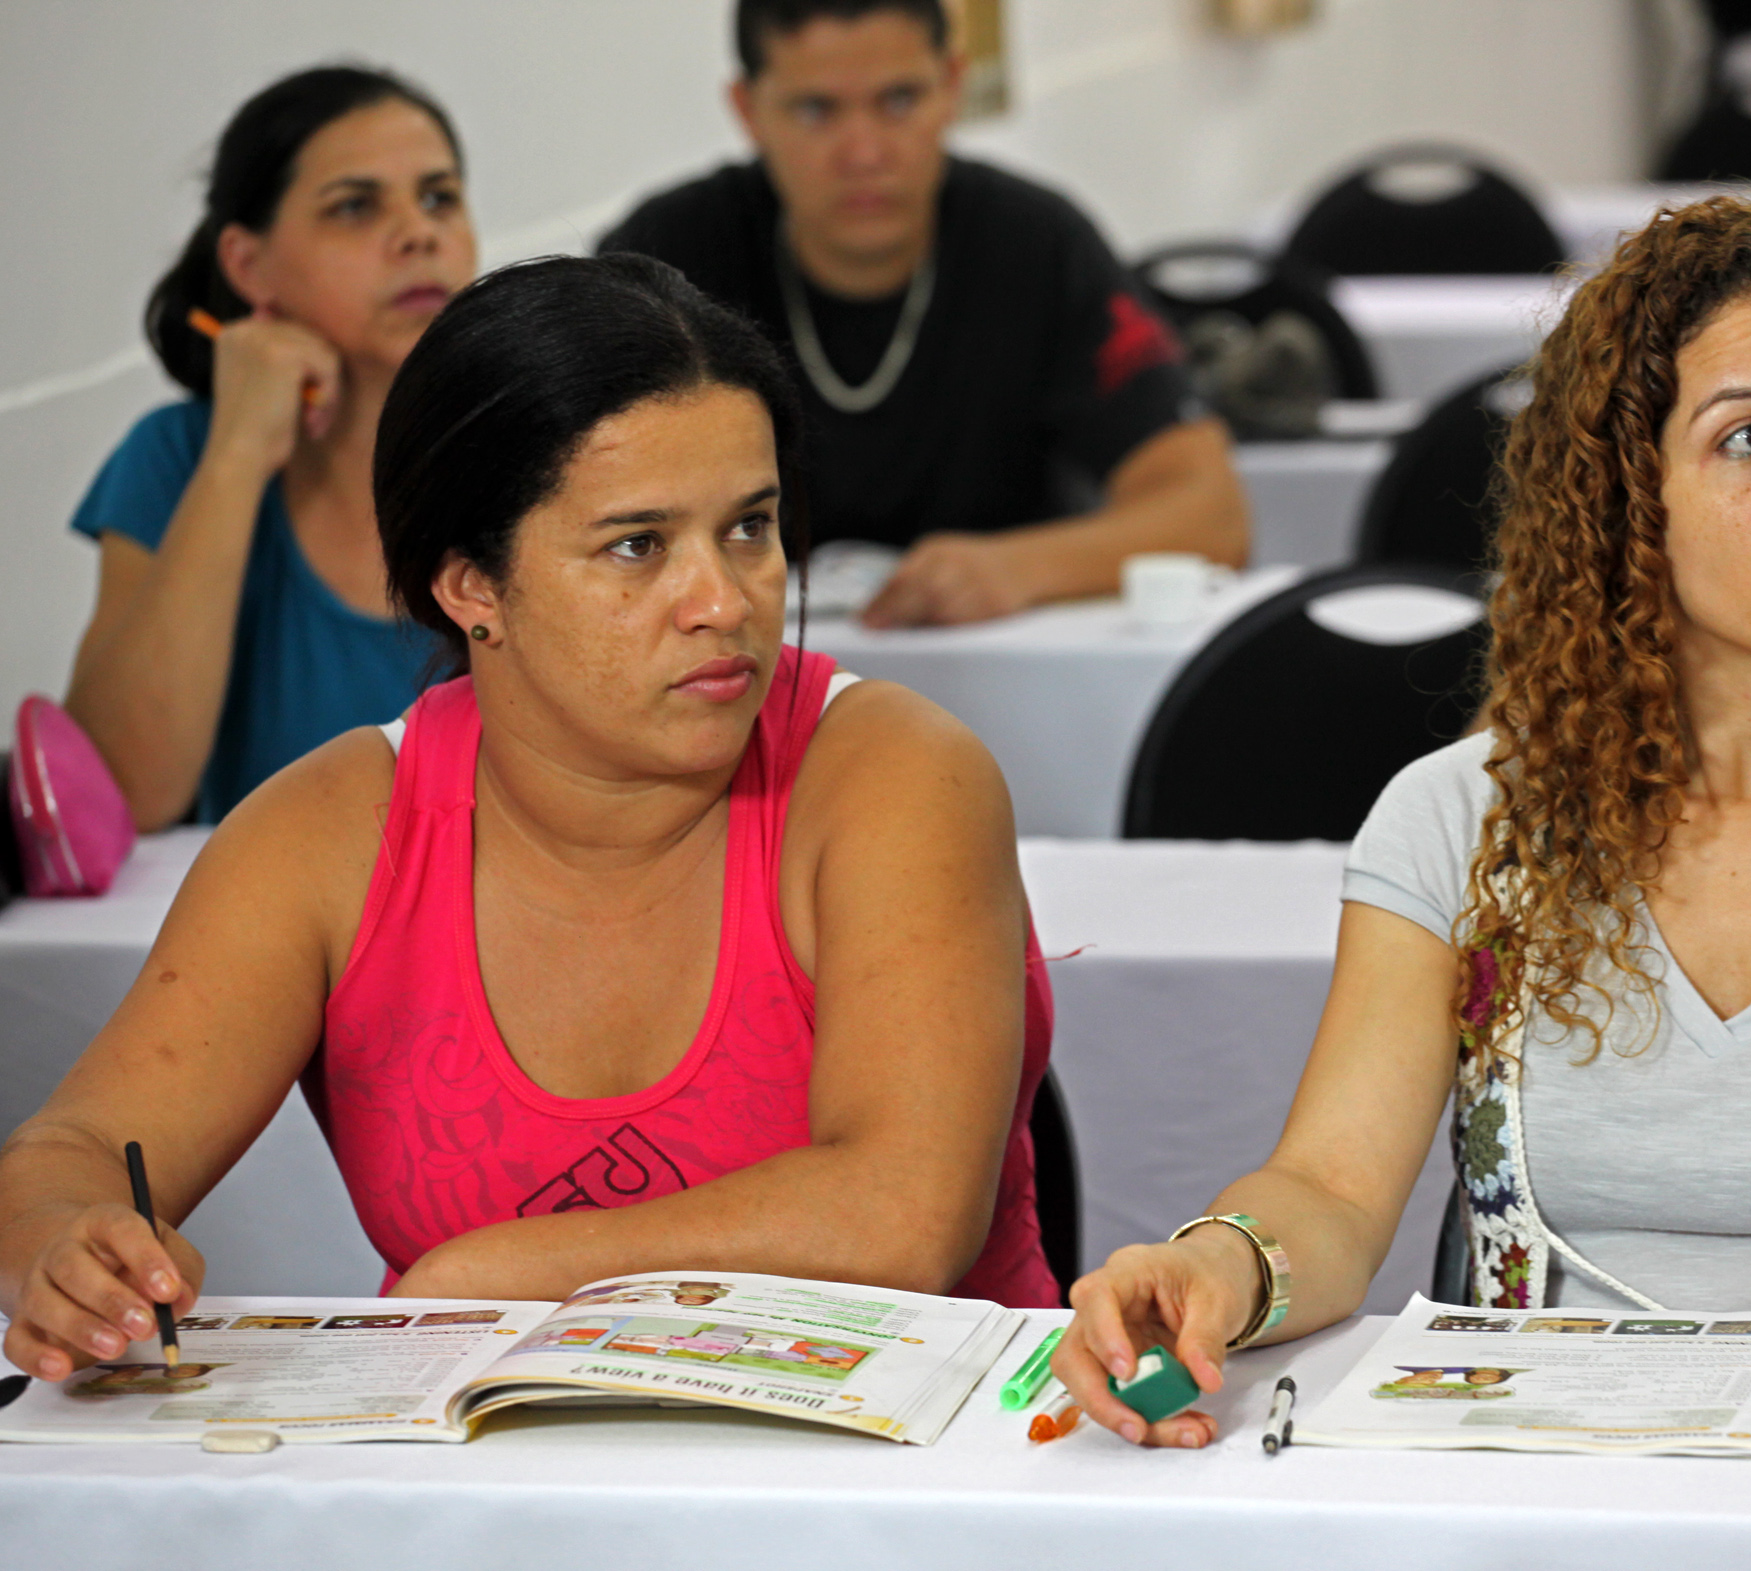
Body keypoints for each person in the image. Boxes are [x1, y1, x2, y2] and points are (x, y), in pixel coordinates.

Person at [1052, 200, 1751, 1447]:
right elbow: (1329, 1185)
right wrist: (1219, 1267)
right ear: (1624, 504)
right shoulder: (1465, 823)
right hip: (1536, 1509)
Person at [0, 254, 1060, 1384]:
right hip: (491, 1499)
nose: (724, 600)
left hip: (909, 1497)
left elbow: (899, 1215)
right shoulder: (327, 835)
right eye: (637, 545)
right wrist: (70, 1248)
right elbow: (66, 1153)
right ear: (470, 584)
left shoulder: (897, 774)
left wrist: (481, 1273)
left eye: (750, 527)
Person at [597, 0, 1249, 628]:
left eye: (899, 101)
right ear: (748, 111)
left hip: (1000, 672)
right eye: (817, 110)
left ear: (953, 88)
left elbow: (1211, 514)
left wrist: (1019, 568)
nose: (864, 152)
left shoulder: (1037, 245)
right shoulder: (667, 260)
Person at [64, 66, 476, 830]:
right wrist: (237, 455)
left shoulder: (535, 448)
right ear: (248, 263)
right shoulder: (180, 456)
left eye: (439, 197)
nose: (421, 232)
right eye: (355, 206)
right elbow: (121, 796)